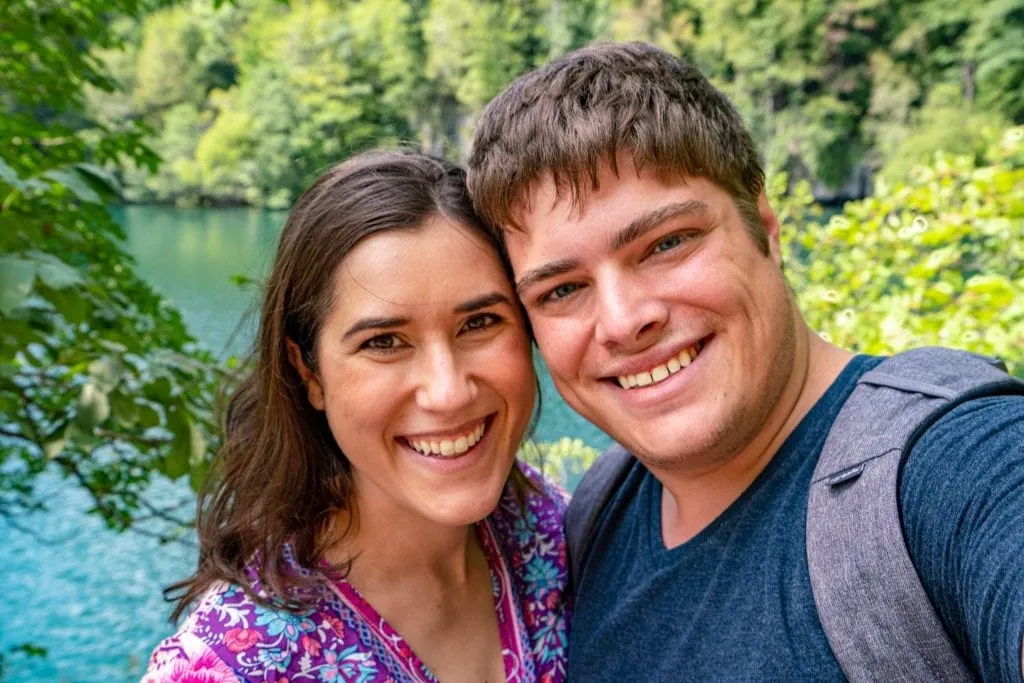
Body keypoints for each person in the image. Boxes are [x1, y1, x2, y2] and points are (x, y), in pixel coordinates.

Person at [467, 42, 1024, 681]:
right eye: (562, 289)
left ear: (764, 226)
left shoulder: (953, 466)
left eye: (666, 244)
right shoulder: (594, 516)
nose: (624, 321)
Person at [143, 151, 570, 683]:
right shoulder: (237, 663)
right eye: (384, 342)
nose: (448, 392)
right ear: (309, 373)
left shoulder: (553, 531)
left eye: (480, 322)